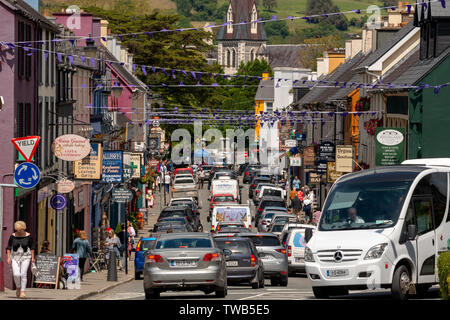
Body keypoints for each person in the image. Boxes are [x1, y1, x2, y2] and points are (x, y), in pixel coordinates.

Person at [6, 221, 35, 299]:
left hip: (26, 256)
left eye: (20, 230)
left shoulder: (29, 236)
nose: (19, 231)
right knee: (16, 274)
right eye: (17, 230)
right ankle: (18, 287)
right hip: (15, 257)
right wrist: (8, 257)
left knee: (23, 274)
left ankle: (22, 291)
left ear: (23, 228)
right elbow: (8, 247)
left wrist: (32, 258)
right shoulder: (12, 236)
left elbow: (32, 247)